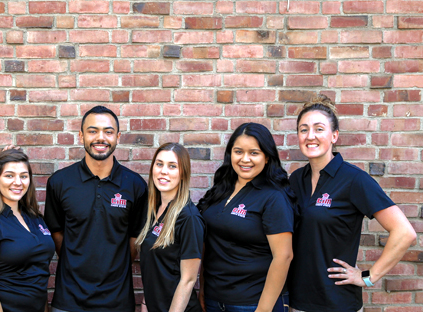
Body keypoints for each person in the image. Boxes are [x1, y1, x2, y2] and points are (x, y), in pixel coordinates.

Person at [287, 95, 416, 312]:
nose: (310, 136)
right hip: (299, 302)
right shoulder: (296, 179)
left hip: (338, 303)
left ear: (334, 136)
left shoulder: (354, 179)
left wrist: (368, 277)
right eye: (303, 129)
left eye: (319, 129)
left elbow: (404, 232)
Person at [43, 105, 148, 312]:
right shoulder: (59, 182)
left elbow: (135, 239)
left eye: (108, 132)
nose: (101, 138)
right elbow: (56, 233)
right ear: (81, 136)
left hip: (117, 301)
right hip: (69, 301)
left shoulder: (135, 185)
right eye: (93, 131)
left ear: (118, 136)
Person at [198, 122, 295, 312]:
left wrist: (263, 310)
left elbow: (284, 256)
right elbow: (210, 245)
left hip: (252, 303)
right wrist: (202, 288)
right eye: (238, 151)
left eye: (254, 153)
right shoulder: (220, 190)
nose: (245, 159)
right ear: (230, 154)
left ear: (267, 157)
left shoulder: (273, 197)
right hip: (214, 299)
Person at [0, 149, 55, 312]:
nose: (18, 182)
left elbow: (39, 273)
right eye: (9, 175)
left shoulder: (35, 218)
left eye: (23, 176)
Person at [136, 143, 204, 312]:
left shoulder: (189, 217)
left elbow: (188, 281)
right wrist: (145, 305)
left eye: (172, 166)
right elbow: (153, 269)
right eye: (159, 164)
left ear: (183, 174)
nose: (163, 171)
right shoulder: (152, 210)